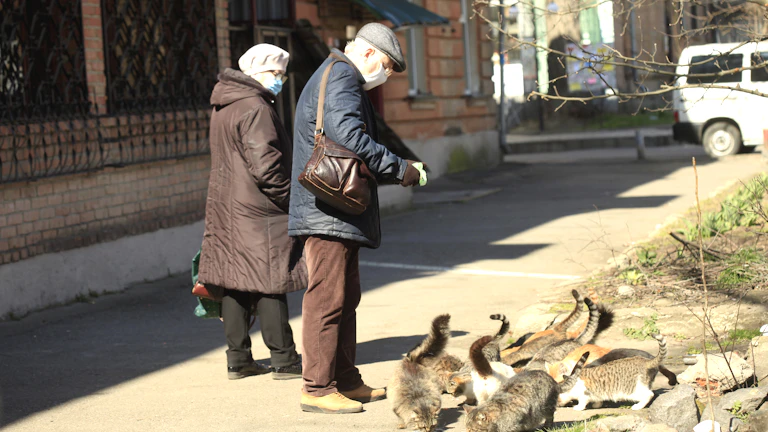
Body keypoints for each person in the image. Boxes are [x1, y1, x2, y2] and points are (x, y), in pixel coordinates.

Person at [289, 23, 424, 414]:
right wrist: (400, 168)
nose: (383, 76)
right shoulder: (343, 77)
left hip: (335, 208)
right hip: (327, 209)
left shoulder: (339, 74)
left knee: (345, 297)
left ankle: (345, 380)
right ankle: (316, 388)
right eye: (384, 66)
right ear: (366, 53)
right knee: (327, 299)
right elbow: (349, 138)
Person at [199, 44, 307, 381]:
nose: (280, 80)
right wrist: (292, 201)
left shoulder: (225, 104)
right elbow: (267, 168)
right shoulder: (256, 107)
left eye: (282, 73)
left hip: (228, 206)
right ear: (256, 72)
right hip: (259, 210)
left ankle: (238, 359)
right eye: (275, 73)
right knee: (270, 281)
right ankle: (285, 360)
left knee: (234, 282)